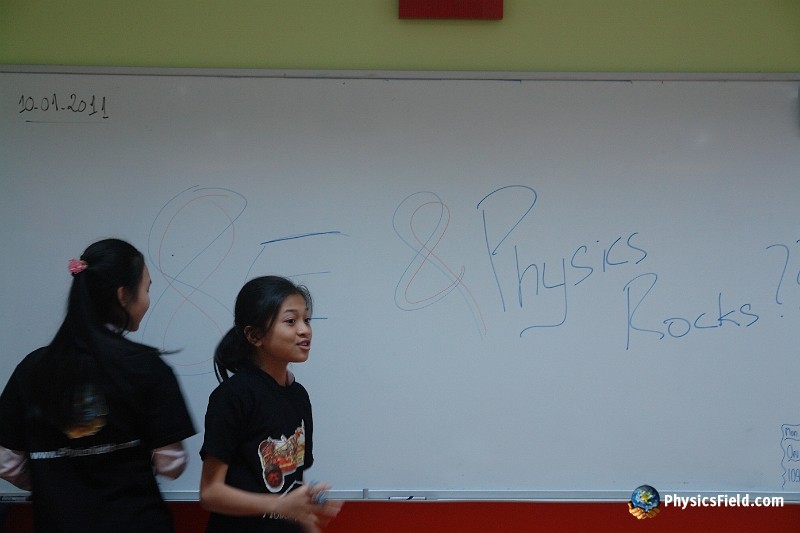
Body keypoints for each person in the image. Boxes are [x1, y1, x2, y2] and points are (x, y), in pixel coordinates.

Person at [0, 238, 196, 533]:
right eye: (146, 289)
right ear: (123, 295)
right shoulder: (146, 366)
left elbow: (6, 463)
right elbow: (171, 463)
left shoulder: (31, 368)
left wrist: (54, 481)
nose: (147, 300)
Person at [199, 276, 342, 533]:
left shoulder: (298, 395)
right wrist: (280, 505)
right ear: (254, 335)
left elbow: (293, 483)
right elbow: (210, 493)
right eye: (291, 321)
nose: (305, 330)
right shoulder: (234, 395)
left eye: (307, 320)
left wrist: (307, 517)